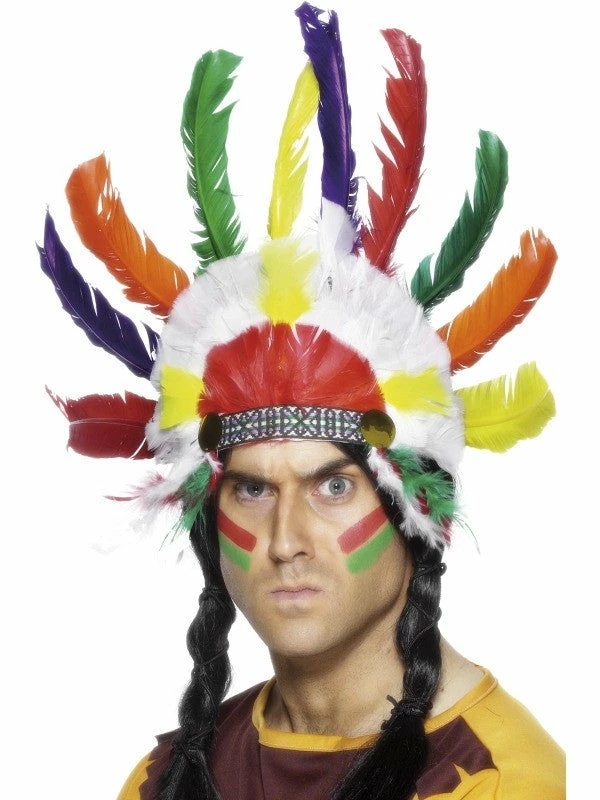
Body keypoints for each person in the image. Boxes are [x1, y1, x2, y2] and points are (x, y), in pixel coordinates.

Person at [39, 4, 565, 799]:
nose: (286, 542)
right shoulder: (160, 779)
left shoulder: (497, 778)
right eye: (252, 489)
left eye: (334, 485)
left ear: (415, 510)